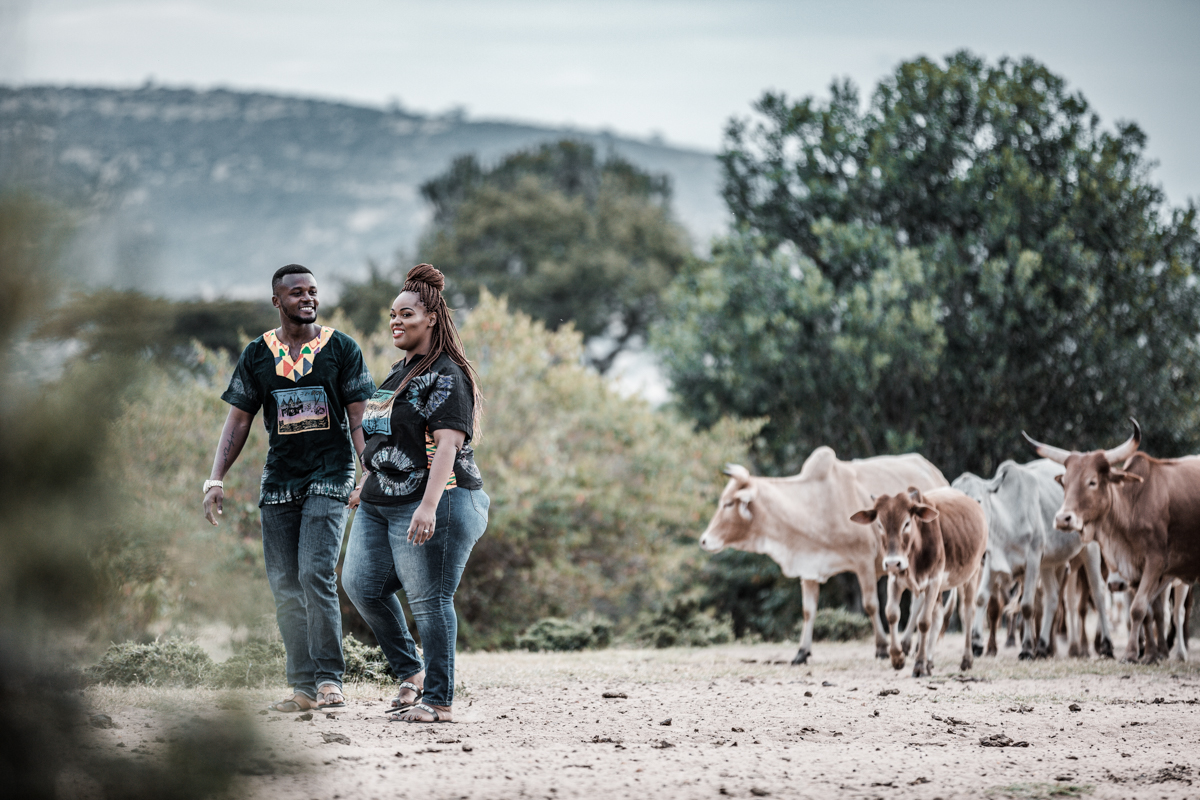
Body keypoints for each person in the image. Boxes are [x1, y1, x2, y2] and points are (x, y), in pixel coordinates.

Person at [203, 264, 375, 713]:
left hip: (330, 474)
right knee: (284, 583)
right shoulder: (257, 354)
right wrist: (215, 478)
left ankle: (329, 681)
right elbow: (238, 419)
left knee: (314, 573)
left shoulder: (341, 348)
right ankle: (301, 687)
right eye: (297, 292)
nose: (308, 298)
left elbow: (359, 416)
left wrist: (369, 469)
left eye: (313, 291)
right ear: (277, 300)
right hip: (279, 480)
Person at [343, 263, 488, 724]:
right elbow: (386, 439)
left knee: (429, 600)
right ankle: (413, 671)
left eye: (406, 313)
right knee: (361, 585)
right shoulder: (397, 374)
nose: (396, 321)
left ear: (431, 318)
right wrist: (369, 477)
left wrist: (427, 506)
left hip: (439, 500)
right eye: (392, 314)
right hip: (381, 502)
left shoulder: (447, 375)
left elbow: (448, 444)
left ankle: (439, 701)